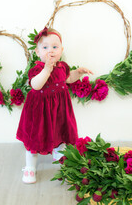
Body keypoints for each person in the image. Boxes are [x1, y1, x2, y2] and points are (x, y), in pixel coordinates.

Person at [16, 27, 93, 183]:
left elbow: (68, 79)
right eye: (45, 47)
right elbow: (36, 85)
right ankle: (30, 167)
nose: (50, 50)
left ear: (61, 50)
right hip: (39, 110)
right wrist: (46, 70)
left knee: (60, 130)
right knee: (35, 138)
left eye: (55, 47)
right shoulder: (37, 69)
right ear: (37, 52)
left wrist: (78, 72)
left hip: (59, 109)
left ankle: (58, 151)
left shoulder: (62, 66)